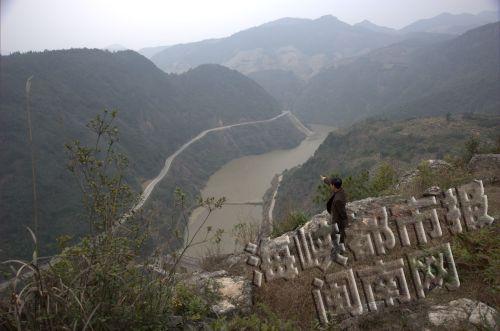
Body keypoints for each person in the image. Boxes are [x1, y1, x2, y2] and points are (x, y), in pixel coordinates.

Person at [320, 175, 348, 253]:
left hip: (338, 219)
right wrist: (324, 179)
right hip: (335, 215)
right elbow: (330, 182)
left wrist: (345, 223)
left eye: (331, 185)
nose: (330, 186)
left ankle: (340, 250)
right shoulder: (339, 189)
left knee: (337, 234)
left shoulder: (338, 200)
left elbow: (342, 213)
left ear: (334, 186)